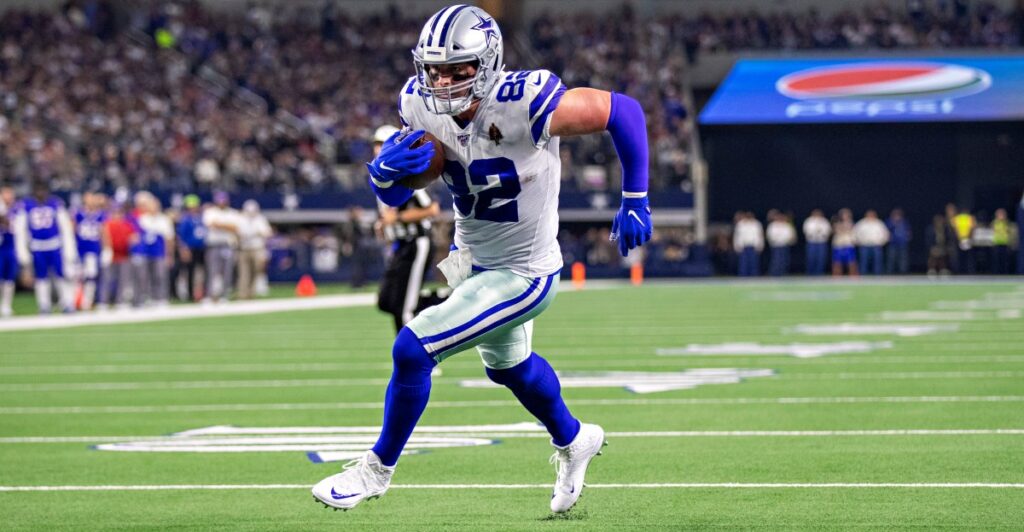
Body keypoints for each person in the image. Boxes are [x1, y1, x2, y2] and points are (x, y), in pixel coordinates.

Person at [312, 5, 653, 514]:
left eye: (458, 70)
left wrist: (635, 196)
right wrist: (384, 179)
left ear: (488, 63)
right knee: (510, 369)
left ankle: (375, 471)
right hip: (472, 261)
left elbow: (622, 110)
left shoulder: (526, 100)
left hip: (524, 271)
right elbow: (407, 185)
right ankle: (574, 437)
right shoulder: (418, 104)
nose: (443, 82)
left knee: (412, 349)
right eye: (435, 70)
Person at [371, 125, 446, 333]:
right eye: (376, 144)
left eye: (382, 144)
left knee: (404, 308)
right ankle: (442, 300)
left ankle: (413, 354)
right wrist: (385, 225)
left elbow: (432, 209)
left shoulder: (406, 177)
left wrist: (397, 218)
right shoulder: (380, 177)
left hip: (416, 242)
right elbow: (389, 215)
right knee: (387, 301)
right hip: (400, 245)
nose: (377, 149)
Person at [14, 182, 78, 314]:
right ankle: (44, 304)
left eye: (43, 190)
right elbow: (20, 230)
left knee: (61, 275)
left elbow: (65, 227)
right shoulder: (26, 206)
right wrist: (23, 252)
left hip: (54, 245)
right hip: (37, 246)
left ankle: (67, 302)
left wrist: (69, 248)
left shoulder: (55, 204)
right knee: (41, 277)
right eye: (38, 190)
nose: (41, 194)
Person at [137, 193, 175, 306]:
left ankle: (161, 298)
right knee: (144, 276)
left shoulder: (164, 219)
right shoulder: (142, 219)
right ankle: (146, 297)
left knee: (160, 276)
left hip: (159, 253)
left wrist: (169, 254)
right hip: (145, 252)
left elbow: (169, 239)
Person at [72, 192, 108, 310]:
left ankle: (87, 301)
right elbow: (73, 230)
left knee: (91, 275)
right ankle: (75, 300)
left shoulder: (100, 215)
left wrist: (107, 248)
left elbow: (104, 232)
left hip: (93, 250)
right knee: (78, 276)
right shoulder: (78, 214)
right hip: (80, 250)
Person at [203, 191, 240, 302]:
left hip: (228, 244)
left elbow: (235, 228)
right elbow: (210, 224)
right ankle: (210, 296)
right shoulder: (210, 212)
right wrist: (227, 225)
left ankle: (225, 295)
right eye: (220, 201)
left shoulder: (233, 213)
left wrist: (220, 225)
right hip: (213, 245)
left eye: (223, 201)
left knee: (227, 271)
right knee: (212, 271)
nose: (222, 203)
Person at [99, 202, 137, 309]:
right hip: (111, 255)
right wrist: (107, 250)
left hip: (124, 256)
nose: (117, 215)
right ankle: (103, 302)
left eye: (119, 212)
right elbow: (104, 237)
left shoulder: (126, 225)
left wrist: (131, 244)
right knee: (107, 279)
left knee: (123, 280)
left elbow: (134, 238)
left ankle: (120, 302)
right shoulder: (107, 224)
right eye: (115, 212)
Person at [236, 200, 272, 300]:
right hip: (243, 248)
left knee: (256, 270)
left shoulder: (260, 219)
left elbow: (267, 233)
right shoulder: (240, 219)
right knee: (243, 272)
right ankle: (243, 294)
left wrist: (256, 233)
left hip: (257, 248)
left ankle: (252, 293)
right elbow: (237, 233)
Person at [176, 194, 207, 301]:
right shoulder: (185, 219)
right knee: (190, 272)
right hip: (190, 248)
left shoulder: (201, 217)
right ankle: (190, 294)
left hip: (202, 248)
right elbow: (181, 235)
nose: (193, 208)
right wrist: (184, 248)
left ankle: (203, 293)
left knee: (204, 271)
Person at [0, 186, 18, 317]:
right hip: (1, 247)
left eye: (10, 194)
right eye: (6, 194)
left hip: (11, 247)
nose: (8, 196)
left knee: (9, 278)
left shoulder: (16, 209)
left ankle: (6, 306)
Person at [854, 209, 889, 275]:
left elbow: (885, 233)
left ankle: (878, 275)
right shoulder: (861, 223)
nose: (870, 216)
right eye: (869, 215)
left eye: (872, 215)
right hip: (864, 245)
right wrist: (857, 241)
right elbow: (855, 233)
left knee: (877, 261)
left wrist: (882, 242)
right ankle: (862, 275)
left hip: (876, 245)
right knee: (863, 261)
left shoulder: (879, 223)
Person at [733, 212, 764, 277]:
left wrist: (760, 245)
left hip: (754, 246)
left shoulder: (757, 224)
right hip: (743, 246)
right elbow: (737, 236)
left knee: (754, 262)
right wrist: (736, 245)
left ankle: (754, 276)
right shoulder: (740, 224)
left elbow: (760, 235)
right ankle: (743, 276)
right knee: (743, 263)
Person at [766, 210, 795, 276]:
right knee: (776, 259)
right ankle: (774, 273)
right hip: (775, 245)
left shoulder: (787, 225)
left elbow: (790, 235)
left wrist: (786, 240)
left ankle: (783, 272)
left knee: (784, 260)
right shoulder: (772, 225)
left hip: (784, 244)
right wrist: (776, 239)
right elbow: (770, 235)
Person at [802, 209, 831, 276]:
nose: (817, 215)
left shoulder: (824, 221)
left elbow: (828, 231)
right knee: (811, 258)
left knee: (821, 258)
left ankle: (819, 273)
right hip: (812, 242)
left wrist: (822, 234)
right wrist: (813, 233)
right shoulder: (809, 221)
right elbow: (806, 230)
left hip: (821, 242)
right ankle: (810, 273)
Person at [831, 208, 858, 277]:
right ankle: (836, 277)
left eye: (847, 215)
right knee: (837, 262)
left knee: (851, 262)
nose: (845, 216)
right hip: (839, 245)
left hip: (848, 245)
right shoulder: (836, 223)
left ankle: (853, 277)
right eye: (843, 215)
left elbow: (851, 230)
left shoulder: (852, 223)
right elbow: (836, 230)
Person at [885, 208, 911, 274]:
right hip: (892, 243)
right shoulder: (889, 222)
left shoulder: (904, 222)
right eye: (895, 215)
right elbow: (886, 231)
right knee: (891, 258)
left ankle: (903, 271)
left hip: (902, 243)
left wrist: (907, 237)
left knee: (903, 258)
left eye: (898, 214)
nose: (897, 216)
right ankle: (890, 271)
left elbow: (908, 231)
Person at [952, 207, 976, 274]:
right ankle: (967, 271)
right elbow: (973, 228)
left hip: (962, 239)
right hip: (965, 239)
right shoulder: (969, 218)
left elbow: (955, 229)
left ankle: (962, 271)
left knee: (963, 257)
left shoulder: (958, 218)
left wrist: (960, 238)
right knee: (967, 257)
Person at [991, 208, 1012, 275]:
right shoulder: (994, 223)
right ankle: (996, 272)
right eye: (999, 214)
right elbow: (992, 232)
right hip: (996, 243)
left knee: (1005, 259)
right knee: (996, 259)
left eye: (1002, 214)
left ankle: (1005, 272)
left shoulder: (1007, 223)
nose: (1001, 216)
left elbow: (1009, 232)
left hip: (1004, 243)